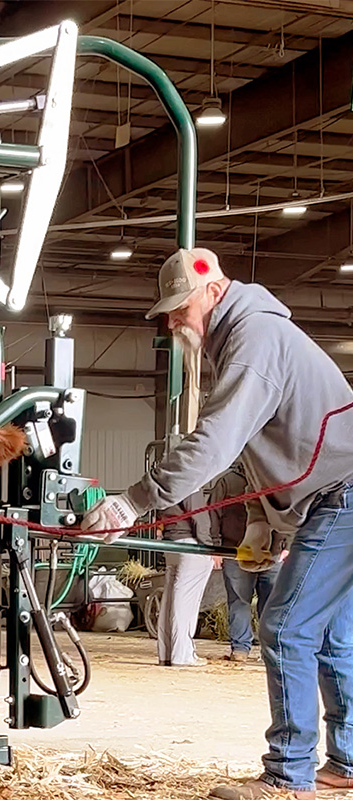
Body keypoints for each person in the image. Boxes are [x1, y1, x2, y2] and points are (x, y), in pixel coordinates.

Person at [81, 247, 353, 800]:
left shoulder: (254, 340)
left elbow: (216, 443)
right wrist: (268, 526)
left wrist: (133, 501)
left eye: (180, 306)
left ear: (213, 288)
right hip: (332, 495)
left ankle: (287, 776)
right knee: (329, 634)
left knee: (285, 627)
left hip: (341, 495)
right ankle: (345, 763)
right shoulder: (245, 339)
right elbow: (263, 452)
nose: (174, 319)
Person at [209, 464, 282, 663]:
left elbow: (287, 512)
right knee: (239, 600)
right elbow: (213, 513)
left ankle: (270, 650)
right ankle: (241, 648)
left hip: (272, 553)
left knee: (271, 603)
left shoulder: (275, 477)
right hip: (235, 552)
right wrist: (216, 547)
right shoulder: (227, 482)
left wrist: (287, 545)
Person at [157, 491, 213, 667]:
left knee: (170, 600)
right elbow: (198, 514)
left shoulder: (163, 479)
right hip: (190, 543)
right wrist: (209, 547)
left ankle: (166, 653)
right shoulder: (191, 479)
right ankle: (183, 654)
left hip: (171, 542)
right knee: (186, 601)